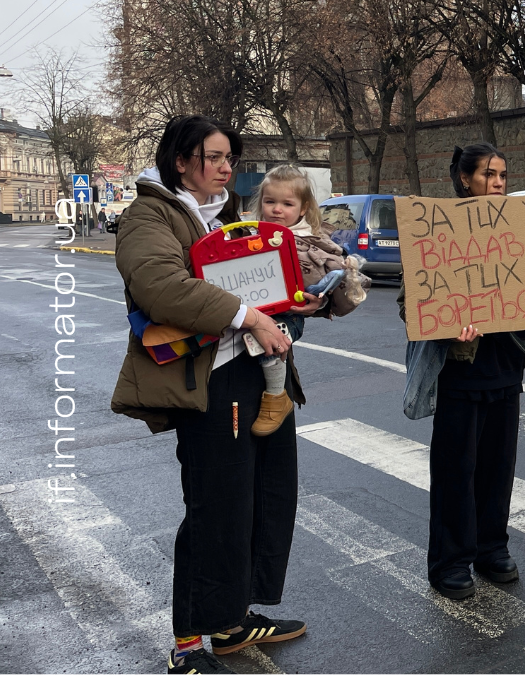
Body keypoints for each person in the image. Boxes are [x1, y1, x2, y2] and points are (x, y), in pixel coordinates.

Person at [110, 115, 321, 674]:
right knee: (215, 509)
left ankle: (231, 621)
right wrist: (250, 314)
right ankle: (187, 643)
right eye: (215, 157)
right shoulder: (148, 216)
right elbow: (160, 288)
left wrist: (300, 298)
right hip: (210, 382)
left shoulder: (225, 214)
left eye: (231, 157)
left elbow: (267, 277)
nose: (228, 168)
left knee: (262, 499)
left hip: (259, 375)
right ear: (181, 161)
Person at [398, 142, 525, 601]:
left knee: (498, 469)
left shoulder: (519, 229)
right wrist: (448, 328)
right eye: (488, 175)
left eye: (502, 176)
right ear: (463, 180)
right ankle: (450, 561)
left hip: (505, 370)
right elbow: (408, 303)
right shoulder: (434, 231)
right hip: (460, 373)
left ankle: (492, 549)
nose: (497, 184)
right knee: (457, 472)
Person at [249, 164, 370, 435]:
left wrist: (319, 297)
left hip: (288, 314)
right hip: (257, 310)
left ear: (303, 209)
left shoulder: (309, 240)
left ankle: (275, 395)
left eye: (286, 204)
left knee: (266, 343)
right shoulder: (252, 234)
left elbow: (324, 278)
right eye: (270, 202)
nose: (276, 209)